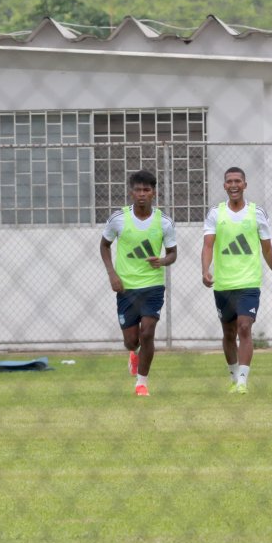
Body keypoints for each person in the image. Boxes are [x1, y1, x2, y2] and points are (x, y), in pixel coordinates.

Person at [200, 167, 272, 394]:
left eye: (238, 181)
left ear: (245, 185)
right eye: (229, 181)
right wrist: (205, 269)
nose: (234, 185)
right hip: (223, 284)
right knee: (228, 333)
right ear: (224, 186)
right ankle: (233, 375)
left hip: (249, 283)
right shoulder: (215, 214)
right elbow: (208, 245)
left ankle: (242, 381)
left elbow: (268, 250)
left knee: (244, 327)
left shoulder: (257, 213)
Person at [99, 170, 177, 397]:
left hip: (152, 286)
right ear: (130, 192)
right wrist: (112, 274)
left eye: (146, 190)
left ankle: (141, 383)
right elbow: (104, 245)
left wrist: (162, 261)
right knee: (131, 341)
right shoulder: (118, 219)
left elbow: (173, 253)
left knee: (148, 332)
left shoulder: (164, 222)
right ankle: (134, 354)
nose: (142, 194)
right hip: (126, 288)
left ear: (154, 192)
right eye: (137, 190)